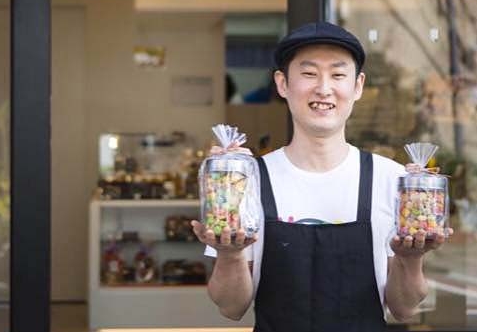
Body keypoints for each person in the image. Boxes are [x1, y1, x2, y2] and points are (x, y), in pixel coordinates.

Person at [192, 21, 453, 332]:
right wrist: (230, 254)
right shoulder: (246, 181)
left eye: (338, 75)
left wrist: (410, 259)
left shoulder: (393, 181)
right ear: (282, 84)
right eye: (309, 73)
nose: (324, 88)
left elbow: (404, 308)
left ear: (358, 86)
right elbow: (230, 307)